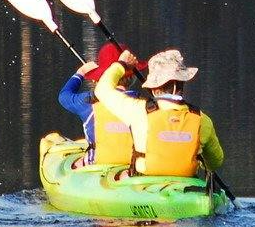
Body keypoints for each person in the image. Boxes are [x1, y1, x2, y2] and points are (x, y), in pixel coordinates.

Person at [93, 48, 224, 178]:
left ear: (154, 88)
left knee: (121, 176)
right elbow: (215, 161)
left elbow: (102, 90)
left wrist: (121, 64)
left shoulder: (137, 110)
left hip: (144, 183)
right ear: (182, 84)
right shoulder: (202, 119)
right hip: (187, 185)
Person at [57, 42, 140, 169]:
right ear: (133, 76)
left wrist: (81, 72)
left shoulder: (88, 102)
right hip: (133, 165)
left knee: (77, 164)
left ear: (101, 77)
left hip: (96, 164)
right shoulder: (143, 103)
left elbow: (64, 96)